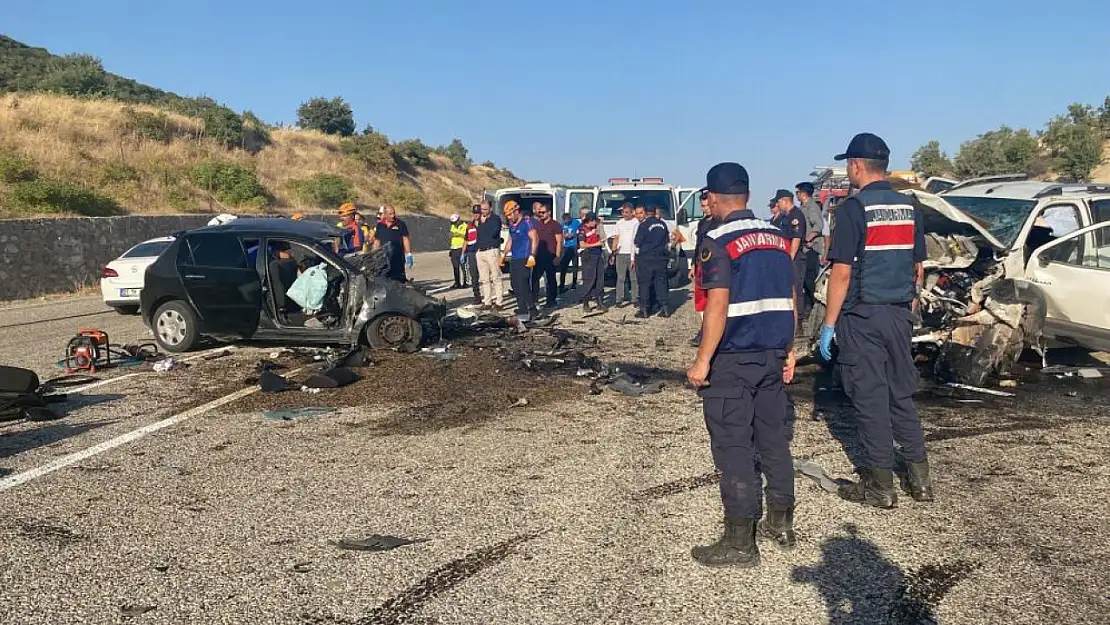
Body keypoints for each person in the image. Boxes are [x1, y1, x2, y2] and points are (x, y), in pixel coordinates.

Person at [686, 162, 798, 568]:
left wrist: (702, 362)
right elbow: (789, 296)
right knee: (772, 440)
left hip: (733, 359)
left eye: (707, 200)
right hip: (772, 353)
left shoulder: (717, 240)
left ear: (713, 199)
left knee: (733, 448)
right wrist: (790, 348)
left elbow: (717, 306)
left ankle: (739, 543)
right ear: (748, 197)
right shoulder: (777, 236)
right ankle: (781, 523)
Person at [819, 132, 933, 509]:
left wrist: (829, 324)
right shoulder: (909, 207)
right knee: (900, 393)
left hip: (863, 317)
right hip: (899, 314)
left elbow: (841, 274)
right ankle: (921, 480)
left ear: (855, 166)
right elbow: (918, 267)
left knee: (869, 399)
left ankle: (881, 486)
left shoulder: (853, 209)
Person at [770, 190, 807, 323]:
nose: (777, 205)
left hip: (795, 258)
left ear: (785, 201)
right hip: (786, 256)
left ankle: (798, 322)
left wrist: (789, 258)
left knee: (795, 290)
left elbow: (796, 239)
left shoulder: (796, 216)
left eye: (778, 202)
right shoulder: (786, 216)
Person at [501, 201, 539, 320]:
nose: (509, 218)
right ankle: (521, 309)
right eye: (507, 216)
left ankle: (531, 309)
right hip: (515, 257)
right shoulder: (512, 225)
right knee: (515, 284)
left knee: (523, 283)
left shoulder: (526, 223)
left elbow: (535, 238)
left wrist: (532, 255)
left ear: (516, 211)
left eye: (510, 215)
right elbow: (510, 241)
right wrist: (503, 254)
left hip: (525, 257)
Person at [690, 190, 718, 346]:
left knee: (713, 299)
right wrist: (693, 264)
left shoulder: (719, 222)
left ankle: (708, 332)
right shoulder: (702, 223)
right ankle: (704, 329)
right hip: (701, 263)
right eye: (702, 206)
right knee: (700, 300)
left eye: (707, 206)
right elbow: (698, 245)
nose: (705, 209)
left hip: (714, 264)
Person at [633, 205, 671, 318]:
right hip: (661, 258)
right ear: (655, 212)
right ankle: (665, 308)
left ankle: (644, 310)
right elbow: (667, 241)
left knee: (645, 284)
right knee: (661, 283)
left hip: (646, 258)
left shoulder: (643, 225)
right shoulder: (663, 225)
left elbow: (637, 242)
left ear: (646, 212)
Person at [796, 182, 824, 318]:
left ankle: (814, 305)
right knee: (804, 280)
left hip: (810, 249)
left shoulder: (812, 207)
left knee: (809, 280)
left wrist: (809, 239)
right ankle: (808, 306)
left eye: (798, 192)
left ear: (803, 193)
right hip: (804, 249)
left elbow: (818, 225)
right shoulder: (803, 208)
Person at [531, 202, 564, 310]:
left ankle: (551, 300)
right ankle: (534, 301)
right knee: (534, 279)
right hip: (539, 255)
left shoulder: (555, 225)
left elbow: (559, 242)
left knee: (550, 279)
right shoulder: (537, 224)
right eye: (539, 212)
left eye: (543, 212)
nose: (541, 214)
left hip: (551, 255)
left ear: (549, 213)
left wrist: (558, 256)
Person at [474, 200, 504, 310]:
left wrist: (483, 223)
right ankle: (487, 301)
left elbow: (493, 233)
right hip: (480, 251)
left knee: (496, 277)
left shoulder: (495, 219)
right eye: (482, 209)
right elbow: (480, 234)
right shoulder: (479, 220)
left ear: (490, 209)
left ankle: (499, 302)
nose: (483, 212)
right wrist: (480, 223)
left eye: (485, 209)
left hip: (491, 250)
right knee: (484, 279)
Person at [577, 212, 608, 313]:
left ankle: (599, 302)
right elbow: (582, 244)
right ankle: (586, 302)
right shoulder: (582, 229)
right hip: (588, 255)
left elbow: (602, 234)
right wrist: (596, 244)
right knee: (589, 279)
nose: (595, 222)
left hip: (598, 254)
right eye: (594, 221)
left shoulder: (597, 227)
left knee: (600, 279)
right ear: (589, 221)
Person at [610, 203, 640, 307]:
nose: (625, 214)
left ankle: (635, 299)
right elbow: (616, 238)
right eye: (623, 212)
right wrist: (613, 253)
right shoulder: (619, 223)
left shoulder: (636, 222)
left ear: (632, 212)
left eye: (627, 212)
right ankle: (619, 299)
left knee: (634, 278)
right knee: (621, 278)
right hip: (621, 253)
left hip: (633, 253)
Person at [372, 205, 413, 282]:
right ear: (385, 214)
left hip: (398, 258)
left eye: (393, 213)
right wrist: (374, 255)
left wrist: (408, 254)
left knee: (399, 280)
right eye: (390, 214)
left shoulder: (401, 224)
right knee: (385, 279)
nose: (393, 216)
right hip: (384, 259)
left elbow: (405, 239)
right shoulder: (380, 225)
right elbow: (377, 241)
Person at [559, 211, 581, 292]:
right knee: (563, 266)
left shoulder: (576, 222)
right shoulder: (562, 224)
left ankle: (574, 284)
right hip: (566, 246)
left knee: (575, 266)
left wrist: (573, 235)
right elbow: (560, 234)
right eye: (565, 221)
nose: (566, 223)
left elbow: (581, 232)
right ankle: (561, 285)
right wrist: (564, 236)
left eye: (567, 221)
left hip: (574, 246)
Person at [464, 205, 482, 302]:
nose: (476, 215)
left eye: (478, 213)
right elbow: (466, 240)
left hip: (482, 252)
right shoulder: (469, 226)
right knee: (474, 276)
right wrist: (463, 253)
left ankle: (490, 297)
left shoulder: (484, 224)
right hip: (471, 253)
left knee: (485, 276)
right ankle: (477, 296)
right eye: (474, 213)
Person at [448, 212, 469, 289]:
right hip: (454, 248)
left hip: (461, 247)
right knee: (455, 266)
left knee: (463, 266)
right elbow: (450, 235)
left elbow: (466, 236)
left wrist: (457, 234)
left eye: (455, 222)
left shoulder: (465, 226)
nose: (454, 223)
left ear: (459, 220)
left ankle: (465, 282)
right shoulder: (453, 226)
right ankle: (457, 282)